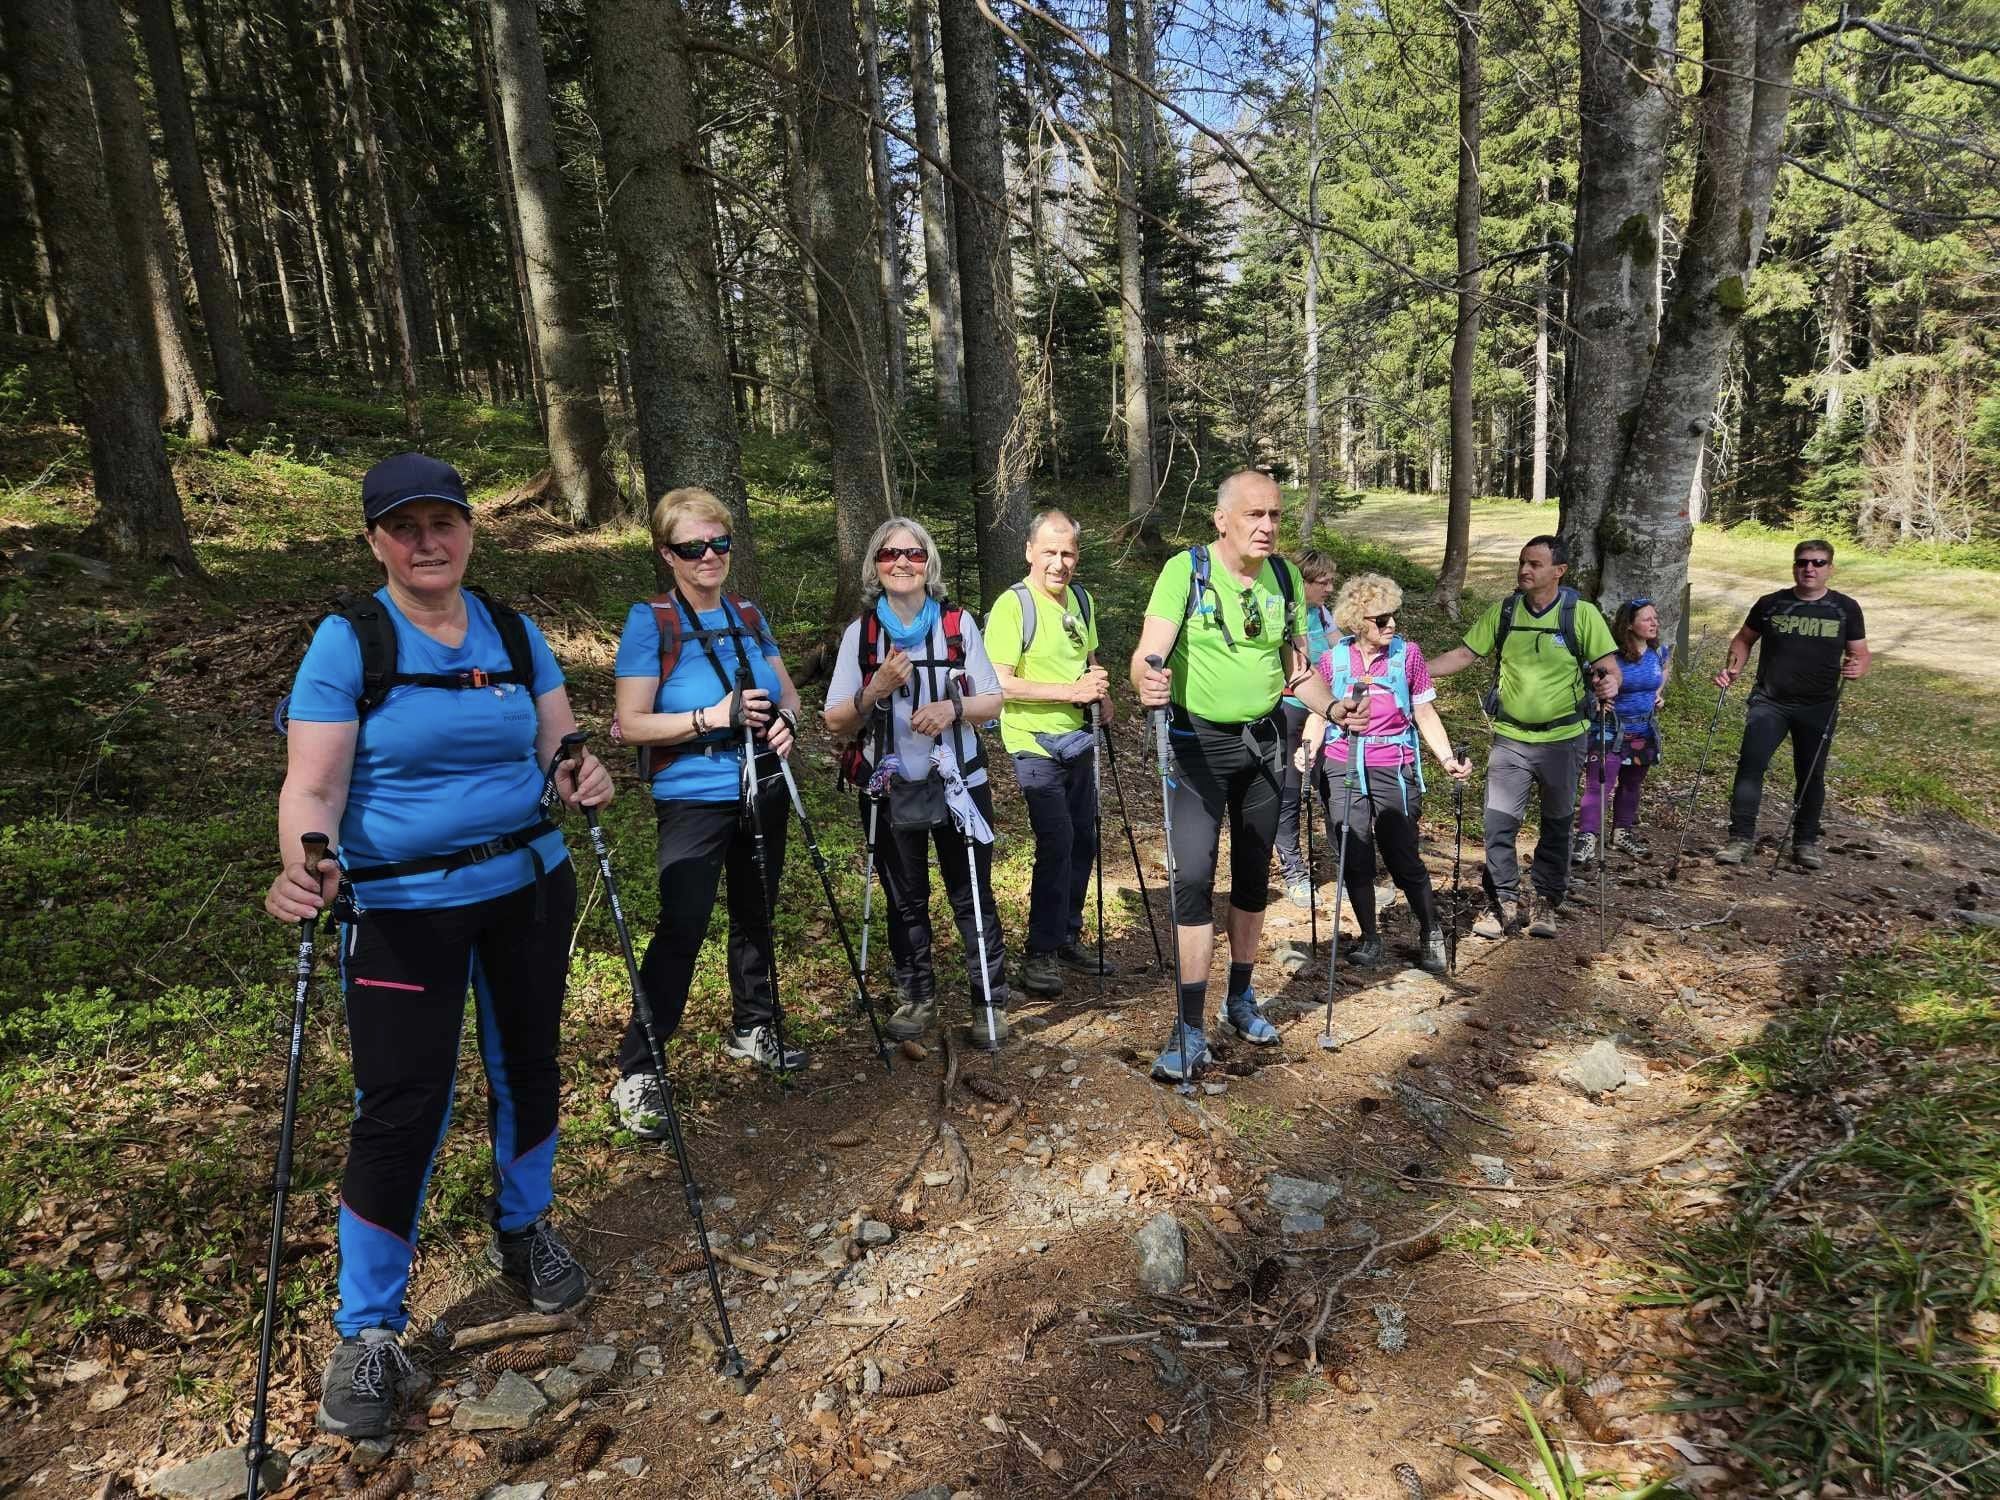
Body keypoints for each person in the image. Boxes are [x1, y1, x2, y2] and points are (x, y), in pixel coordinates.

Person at [264, 453, 611, 1440]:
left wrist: (582, 779)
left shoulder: (511, 629)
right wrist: (305, 863)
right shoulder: (349, 642)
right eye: (404, 527)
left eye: (442, 522)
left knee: (529, 1067)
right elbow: (312, 789)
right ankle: (369, 1329)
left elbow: (560, 746)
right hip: (400, 907)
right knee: (401, 1105)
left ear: (468, 528)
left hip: (527, 887)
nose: (427, 542)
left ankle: (523, 1227)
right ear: (375, 539)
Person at [1129, 469, 1347, 1081]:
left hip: (1263, 746)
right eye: (1254, 515)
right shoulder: (1187, 571)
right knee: (1195, 882)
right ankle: (1188, 1025)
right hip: (1196, 748)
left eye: (1275, 515)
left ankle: (1241, 997)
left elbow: (1297, 665)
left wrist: (1332, 707)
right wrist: (1147, 677)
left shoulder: (1282, 577)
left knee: (1253, 880)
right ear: (1222, 519)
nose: (1268, 526)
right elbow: (1150, 648)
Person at [607, 488, 803, 1137]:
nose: (709, 556)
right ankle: (640, 1067)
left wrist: (787, 727)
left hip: (762, 783)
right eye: (693, 547)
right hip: (692, 795)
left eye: (719, 543)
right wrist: (708, 718)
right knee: (682, 924)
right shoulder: (651, 621)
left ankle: (754, 1026)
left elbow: (790, 696)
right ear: (668, 554)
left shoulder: (748, 612)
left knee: (756, 912)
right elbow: (630, 724)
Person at [823, 517, 1011, 1047]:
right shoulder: (861, 635)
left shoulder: (957, 624)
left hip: (959, 784)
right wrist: (876, 687)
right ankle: (918, 996)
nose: (901, 562)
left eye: (913, 553)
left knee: (971, 894)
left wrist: (951, 707)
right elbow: (835, 720)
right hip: (889, 787)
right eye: (888, 555)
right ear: (874, 567)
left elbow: (992, 700)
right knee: (905, 898)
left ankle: (988, 1002)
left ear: (929, 563)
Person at [1428, 534, 1620, 939]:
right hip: (1510, 738)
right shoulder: (1505, 611)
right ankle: (1502, 903)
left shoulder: (1580, 614)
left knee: (1556, 824)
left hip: (1564, 739)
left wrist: (1609, 685)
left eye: (1534, 564)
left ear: (1559, 571)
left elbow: (1608, 667)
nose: (1524, 570)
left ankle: (1547, 901)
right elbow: (1464, 655)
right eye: (1522, 562)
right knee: (1498, 824)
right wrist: (1412, 671)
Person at [1300, 573, 1472, 973]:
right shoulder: (1333, 660)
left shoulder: (1408, 655)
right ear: (1359, 622)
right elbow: (1318, 712)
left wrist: (1446, 758)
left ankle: (1430, 932)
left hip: (1393, 766)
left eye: (1393, 616)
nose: (1390, 624)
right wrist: (1305, 752)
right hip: (1342, 765)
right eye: (1381, 619)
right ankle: (1369, 937)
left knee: (1402, 855)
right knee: (1354, 856)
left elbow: (1424, 712)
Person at [985, 509, 1119, 998]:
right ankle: (1038, 954)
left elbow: (1089, 657)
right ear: (1029, 552)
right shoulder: (1012, 606)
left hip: (1078, 737)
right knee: (1058, 839)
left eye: (1067, 553)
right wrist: (1071, 692)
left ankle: (1067, 934)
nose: (1059, 563)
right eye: (1050, 552)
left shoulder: (1081, 599)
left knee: (1084, 837)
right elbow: (996, 681)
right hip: (1031, 741)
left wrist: (1102, 694)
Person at [1713, 539, 1869, 868]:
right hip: (1770, 700)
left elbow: (1859, 652)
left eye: (1818, 563)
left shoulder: (1845, 609)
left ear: (1830, 568)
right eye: (1803, 562)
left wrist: (1858, 667)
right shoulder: (1771, 604)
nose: (1809, 568)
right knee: (1750, 767)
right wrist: (1734, 666)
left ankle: (1805, 843)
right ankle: (1740, 839)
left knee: (1810, 774)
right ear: (1794, 566)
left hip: (1819, 705)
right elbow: (1743, 639)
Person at [1574, 598, 1670, 866]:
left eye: (1655, 617)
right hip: (1609, 730)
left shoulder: (1659, 653)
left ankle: (1622, 833)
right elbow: (1587, 684)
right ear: (1629, 625)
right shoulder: (1609, 655)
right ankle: (1587, 837)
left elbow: (1661, 675)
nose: (1654, 623)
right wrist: (1595, 701)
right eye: (1647, 619)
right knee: (1599, 785)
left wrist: (1657, 696)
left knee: (1632, 784)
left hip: (1643, 730)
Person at [1275, 548, 1337, 909]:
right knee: (1287, 791)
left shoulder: (1324, 614)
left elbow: (1339, 649)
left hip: (1322, 712)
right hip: (1286, 709)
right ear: (1303, 582)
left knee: (1330, 787)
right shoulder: (1287, 615)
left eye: (1331, 580)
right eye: (1322, 581)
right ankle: (1294, 871)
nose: (1329, 587)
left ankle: (1348, 867)